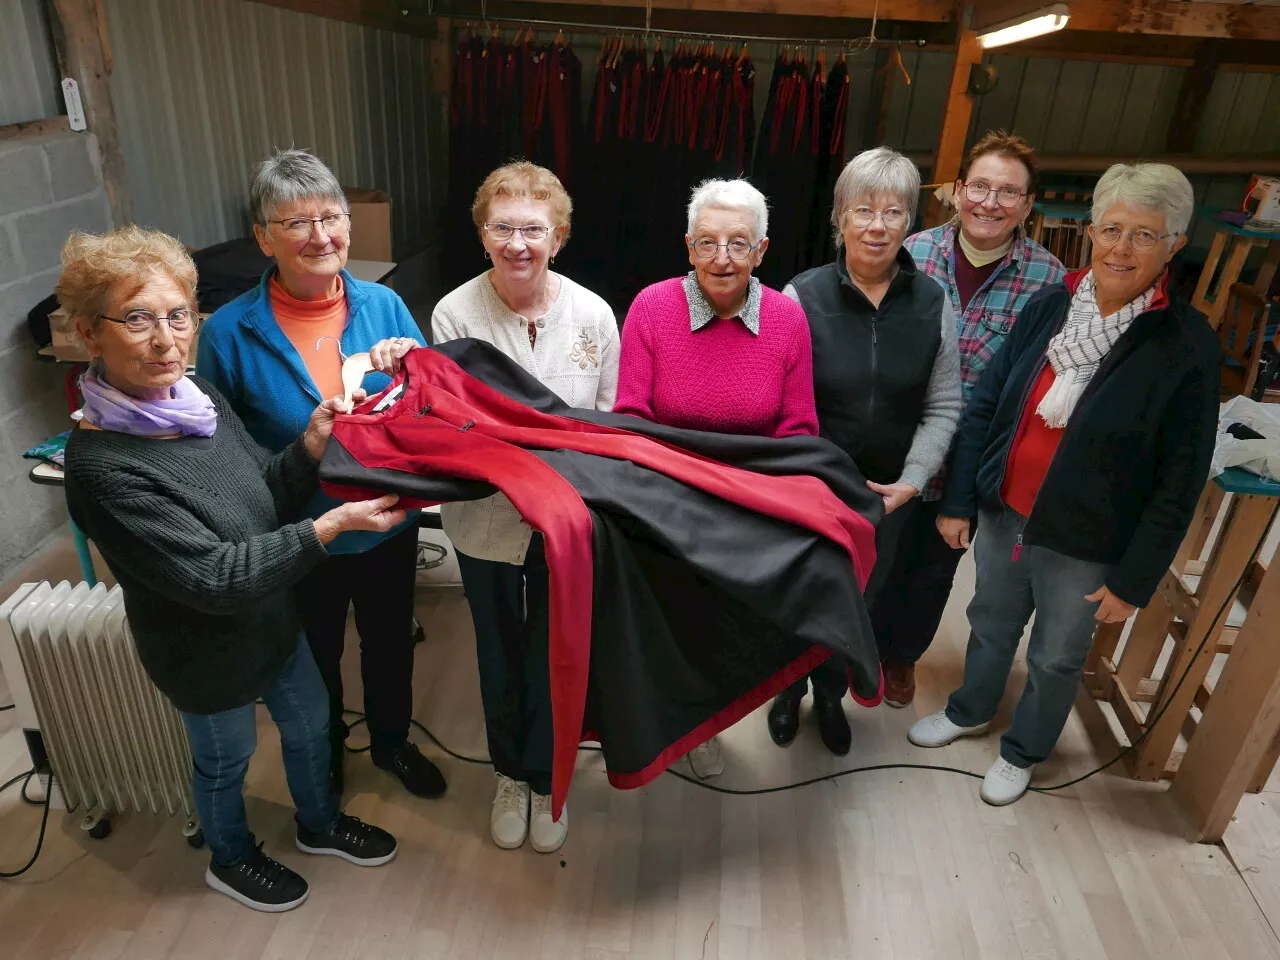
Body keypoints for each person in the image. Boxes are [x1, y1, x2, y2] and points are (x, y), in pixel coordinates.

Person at [60, 226, 402, 912]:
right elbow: (213, 579)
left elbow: (261, 494)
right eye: (136, 318)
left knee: (310, 726)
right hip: (202, 649)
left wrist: (307, 444)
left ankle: (319, 823)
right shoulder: (101, 466)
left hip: (272, 616)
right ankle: (231, 856)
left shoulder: (200, 402)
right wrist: (327, 529)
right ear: (88, 335)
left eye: (178, 315)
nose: (165, 339)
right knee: (226, 760)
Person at [908, 163, 1220, 805]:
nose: (1122, 248)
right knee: (990, 621)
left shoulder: (1185, 346)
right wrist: (965, 497)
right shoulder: (1051, 306)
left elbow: (1180, 479)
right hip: (1006, 516)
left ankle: (1023, 751)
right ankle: (970, 710)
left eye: (1144, 235)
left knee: (1054, 655)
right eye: (1111, 229)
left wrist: (1134, 580)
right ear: (1092, 233)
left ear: (1174, 247)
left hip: (1087, 541)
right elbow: (989, 403)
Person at [198, 149, 442, 801]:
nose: (320, 235)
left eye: (331, 216)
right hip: (302, 532)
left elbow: (426, 407)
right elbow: (226, 448)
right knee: (316, 654)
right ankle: (325, 754)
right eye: (296, 222)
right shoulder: (226, 333)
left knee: (391, 642)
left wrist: (413, 362)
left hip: (388, 517)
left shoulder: (386, 304)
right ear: (262, 237)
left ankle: (392, 742)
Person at [431, 161, 619, 854]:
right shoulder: (454, 313)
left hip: (568, 524)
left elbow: (607, 423)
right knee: (498, 650)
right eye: (502, 228)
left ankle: (549, 779)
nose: (518, 244)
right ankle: (510, 773)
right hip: (485, 524)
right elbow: (455, 426)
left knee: (556, 652)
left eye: (532, 229)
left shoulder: (594, 314)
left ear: (559, 236)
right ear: (483, 236)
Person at [614, 177, 819, 774]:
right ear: (686, 245)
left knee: (718, 632)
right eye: (707, 243)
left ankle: (703, 728)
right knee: (660, 626)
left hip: (745, 507)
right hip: (666, 500)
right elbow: (631, 416)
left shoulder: (786, 318)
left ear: (761, 251)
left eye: (738, 243)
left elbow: (798, 427)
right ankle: (650, 728)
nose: (721, 259)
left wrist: (773, 500)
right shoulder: (653, 306)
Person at [768, 147, 963, 755]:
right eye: (863, 210)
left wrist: (912, 480)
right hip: (812, 492)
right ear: (839, 219)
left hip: (890, 499)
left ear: (911, 223)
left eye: (894, 212)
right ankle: (787, 689)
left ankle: (830, 693)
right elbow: (776, 404)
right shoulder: (800, 296)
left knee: (859, 603)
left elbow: (943, 406)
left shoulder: (933, 304)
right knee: (800, 596)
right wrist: (804, 477)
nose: (877, 226)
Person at [873, 132, 1065, 708]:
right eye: (980, 186)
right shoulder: (911, 254)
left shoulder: (1049, 280)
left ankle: (902, 657)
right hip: (898, 445)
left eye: (1009, 192)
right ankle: (857, 651)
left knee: (934, 571)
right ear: (957, 192)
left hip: (975, 460)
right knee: (879, 558)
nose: (990, 202)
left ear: (1028, 206)